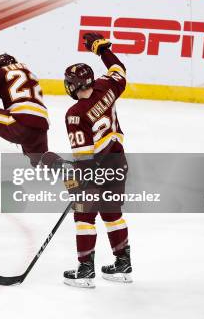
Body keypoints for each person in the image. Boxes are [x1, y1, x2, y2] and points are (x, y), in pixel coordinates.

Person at [61, 33, 131, 288]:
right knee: (113, 214)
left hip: (94, 168)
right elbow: (118, 69)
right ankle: (123, 264)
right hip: (118, 161)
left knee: (84, 216)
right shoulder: (107, 87)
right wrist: (101, 50)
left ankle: (85, 270)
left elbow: (84, 158)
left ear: (73, 86)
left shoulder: (76, 114)